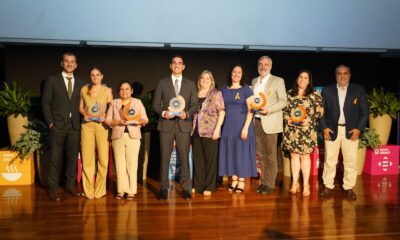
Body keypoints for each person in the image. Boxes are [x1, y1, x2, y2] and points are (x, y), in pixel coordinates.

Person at [152, 55, 198, 200]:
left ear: (183, 66)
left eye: (180, 63)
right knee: (164, 158)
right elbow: (155, 104)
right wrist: (164, 112)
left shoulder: (190, 84)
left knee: (184, 158)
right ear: (170, 66)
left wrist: (187, 114)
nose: (177, 65)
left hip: (183, 126)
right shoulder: (162, 83)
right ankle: (163, 188)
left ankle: (185, 188)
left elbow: (195, 105)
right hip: (166, 125)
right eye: (174, 63)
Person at [319, 65, 368, 200]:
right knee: (329, 160)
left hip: (351, 131)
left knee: (350, 161)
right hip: (331, 131)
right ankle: (328, 186)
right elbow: (320, 112)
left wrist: (359, 128)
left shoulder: (358, 90)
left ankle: (348, 187)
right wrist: (324, 127)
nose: (342, 76)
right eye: (339, 74)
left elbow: (364, 112)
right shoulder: (327, 90)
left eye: (345, 74)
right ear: (336, 76)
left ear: (349, 75)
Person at [41, 52, 84, 201]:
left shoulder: (81, 83)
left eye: (72, 61)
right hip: (57, 125)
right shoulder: (52, 80)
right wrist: (50, 122)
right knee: (55, 158)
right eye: (66, 61)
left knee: (72, 157)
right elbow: (45, 102)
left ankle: (70, 185)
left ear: (76, 65)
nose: (69, 64)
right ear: (62, 63)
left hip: (74, 126)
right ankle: (53, 188)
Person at [282, 70, 324, 197]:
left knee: (305, 157)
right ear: (297, 78)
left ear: (309, 81)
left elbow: (320, 111)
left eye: (306, 78)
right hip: (292, 131)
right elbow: (284, 111)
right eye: (301, 77)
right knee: (294, 156)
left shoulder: (315, 94)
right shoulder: (289, 93)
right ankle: (295, 183)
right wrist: (287, 119)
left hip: (306, 131)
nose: (302, 79)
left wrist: (309, 119)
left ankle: (306, 184)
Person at [105, 81, 148, 200]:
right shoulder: (114, 103)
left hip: (133, 137)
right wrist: (118, 122)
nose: (124, 91)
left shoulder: (137, 102)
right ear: (119, 91)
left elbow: (145, 118)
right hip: (118, 137)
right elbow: (108, 120)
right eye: (122, 89)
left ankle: (131, 191)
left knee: (132, 164)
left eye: (127, 89)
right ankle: (120, 190)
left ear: (132, 91)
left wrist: (141, 121)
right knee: (119, 164)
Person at [251, 56, 287, 195]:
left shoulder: (278, 81)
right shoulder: (254, 81)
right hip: (257, 122)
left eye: (266, 65)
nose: (263, 67)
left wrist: (269, 110)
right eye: (260, 64)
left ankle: (270, 184)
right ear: (257, 66)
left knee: (270, 154)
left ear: (270, 67)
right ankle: (264, 182)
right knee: (260, 155)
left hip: (270, 122)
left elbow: (283, 101)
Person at [219, 64, 256, 193]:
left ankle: (241, 181)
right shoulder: (223, 89)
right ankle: (234, 179)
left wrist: (246, 127)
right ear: (231, 73)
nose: (236, 74)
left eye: (239, 72)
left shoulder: (246, 89)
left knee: (242, 153)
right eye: (234, 72)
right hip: (228, 126)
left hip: (242, 125)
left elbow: (251, 110)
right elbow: (221, 109)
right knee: (231, 152)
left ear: (242, 75)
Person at [79, 67, 113, 199]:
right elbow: (80, 107)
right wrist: (84, 114)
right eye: (92, 75)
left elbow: (111, 107)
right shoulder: (83, 89)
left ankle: (99, 190)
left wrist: (106, 115)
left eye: (97, 75)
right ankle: (88, 191)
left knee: (103, 160)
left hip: (102, 127)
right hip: (87, 126)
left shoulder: (107, 90)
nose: (95, 77)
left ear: (102, 76)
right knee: (87, 159)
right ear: (90, 77)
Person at [191, 70, 225, 196]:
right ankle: (198, 185)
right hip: (195, 131)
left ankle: (209, 186)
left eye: (207, 79)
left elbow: (222, 112)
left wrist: (218, 129)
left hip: (210, 131)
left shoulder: (216, 93)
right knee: (198, 159)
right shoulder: (194, 93)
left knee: (210, 160)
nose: (205, 80)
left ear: (211, 81)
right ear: (199, 80)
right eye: (202, 78)